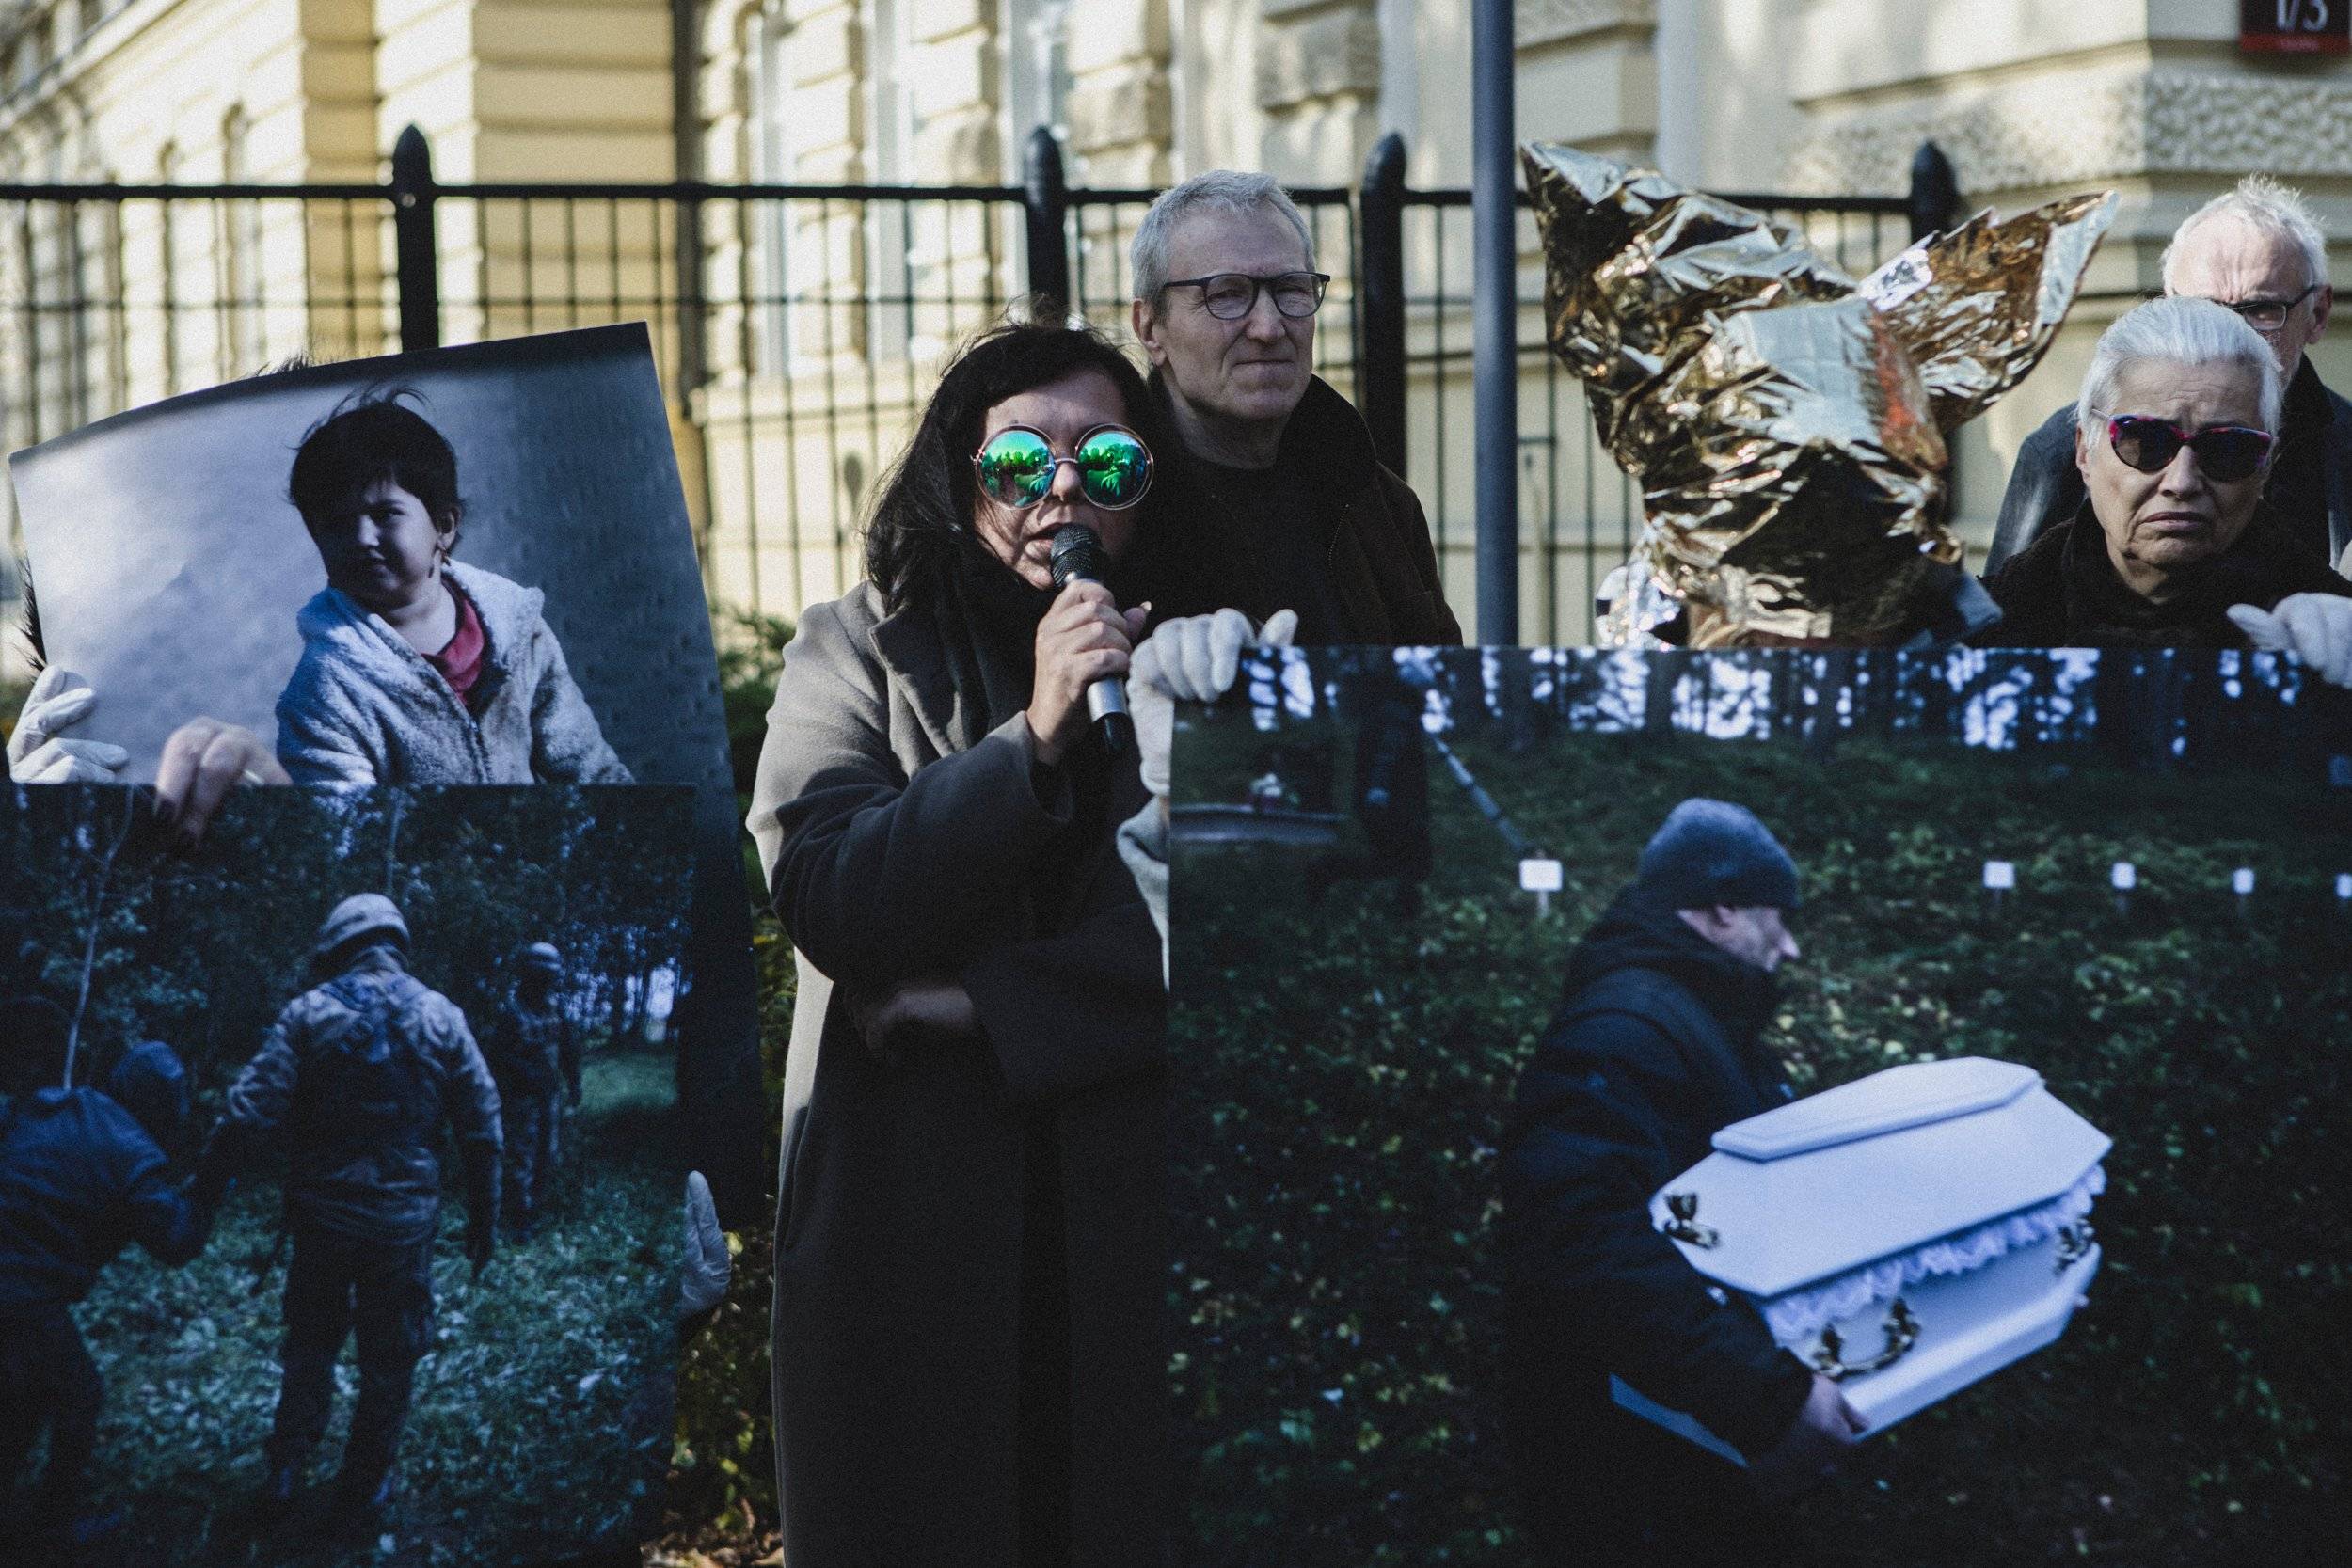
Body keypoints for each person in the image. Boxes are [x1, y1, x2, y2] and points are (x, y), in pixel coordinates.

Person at [748, 316, 1259, 1567]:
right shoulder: (859, 647)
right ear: (955, 479)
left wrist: (990, 1003)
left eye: (1109, 464)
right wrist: (1028, 739)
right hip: (911, 1235)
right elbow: (828, 890)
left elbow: (1254, 934)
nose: (1064, 490)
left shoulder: (1210, 660)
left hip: (1136, 1241)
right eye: (1020, 462)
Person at [1499, 800, 1864, 1566]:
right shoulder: (1628, 1026)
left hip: (1673, 1436)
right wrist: (1764, 1397)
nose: (1791, 947)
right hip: (1619, 1460)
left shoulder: (1696, 1020)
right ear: (1725, 906)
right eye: (1780, 917)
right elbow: (1583, 1239)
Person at [197, 894, 502, 1526]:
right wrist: (484, 1218)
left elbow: (243, 1114)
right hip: (402, 1225)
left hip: (323, 1221)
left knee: (310, 1343)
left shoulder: (308, 1013)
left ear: (337, 947)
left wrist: (199, 1199)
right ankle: (362, 1489)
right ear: (397, 941)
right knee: (389, 1360)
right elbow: (482, 1127)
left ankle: (284, 1471)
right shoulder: (442, 1015)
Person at [1129, 170, 1462, 645]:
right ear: (1149, 328)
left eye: (1290, 290)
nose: (1268, 327)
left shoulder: (1375, 502)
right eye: (1226, 294)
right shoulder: (1110, 504)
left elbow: (1439, 692)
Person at [1991, 174, 2352, 578]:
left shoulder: (2343, 447)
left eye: (2262, 311)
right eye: (2203, 308)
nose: (2231, 332)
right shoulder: (2064, 447)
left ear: (2317, 314)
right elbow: (2006, 619)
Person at [274, 393, 632, 784]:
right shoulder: (326, 686)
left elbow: (590, 770)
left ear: (443, 526)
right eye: (337, 523)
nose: (362, 538)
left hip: (527, 845)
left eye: (385, 514)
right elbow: (345, 824)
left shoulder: (515, 629)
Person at [1978, 295, 2352, 662]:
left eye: (2226, 448)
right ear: (2084, 451)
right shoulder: (1985, 631)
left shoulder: (2330, 637)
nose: (2182, 481)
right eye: (2146, 441)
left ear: (2266, 464)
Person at [1, 999, 217, 1549]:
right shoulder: (135, 1154)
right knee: (80, 1394)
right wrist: (216, 1181)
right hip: (20, 1286)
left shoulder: (64, 1103)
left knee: (31, 1386)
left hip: (20, 1282)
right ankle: (49, 1532)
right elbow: (177, 1245)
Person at [483, 941, 578, 1236]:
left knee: (545, 1156)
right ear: (527, 974)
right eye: (540, 974)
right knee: (520, 1158)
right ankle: (519, 1219)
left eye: (549, 975)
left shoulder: (556, 1010)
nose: (545, 980)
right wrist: (525, 1076)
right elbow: (497, 1057)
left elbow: (568, 1049)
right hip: (520, 1099)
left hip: (548, 1097)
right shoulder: (511, 1013)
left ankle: (534, 1212)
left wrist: (574, 1083)